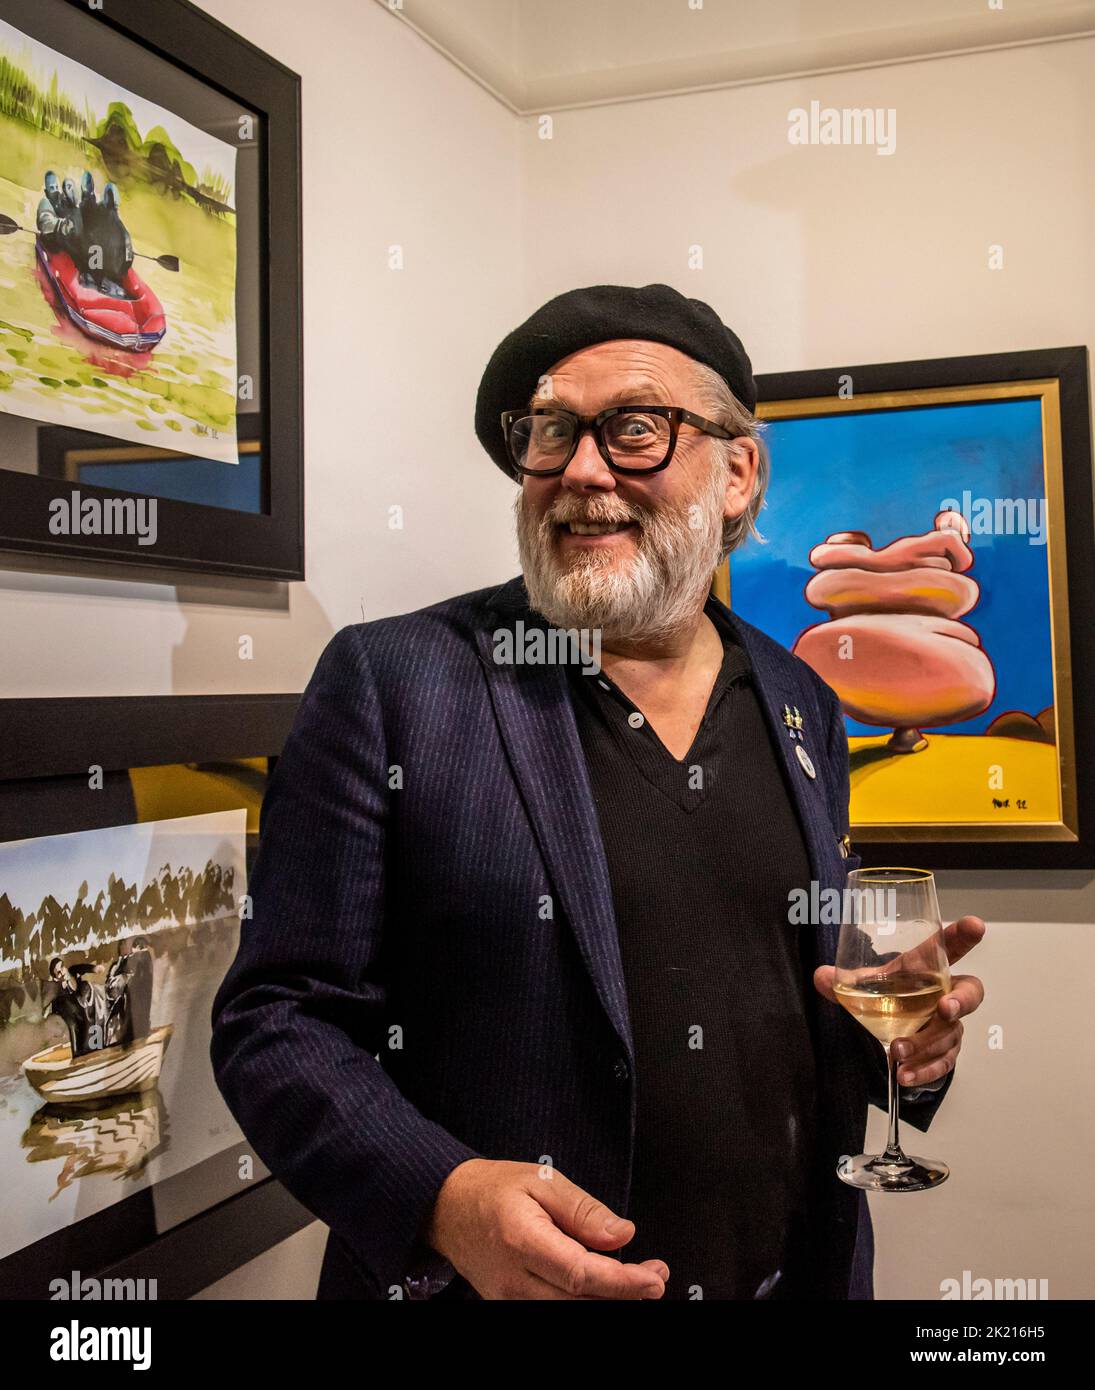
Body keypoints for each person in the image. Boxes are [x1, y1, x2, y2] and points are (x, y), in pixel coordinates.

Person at [210, 283, 986, 1301]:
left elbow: (772, 991)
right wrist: (438, 1194)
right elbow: (276, 1018)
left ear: (740, 471)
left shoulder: (799, 695)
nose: (580, 470)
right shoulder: (396, 683)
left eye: (633, 430)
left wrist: (900, 1049)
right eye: (549, 433)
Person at [48, 956, 108, 1057]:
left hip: (89, 1008)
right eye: (58, 972)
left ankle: (99, 1045)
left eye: (62, 967)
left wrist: (94, 969)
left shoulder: (72, 971)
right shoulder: (59, 992)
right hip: (77, 1017)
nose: (62, 972)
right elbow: (56, 1010)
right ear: (55, 978)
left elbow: (83, 967)